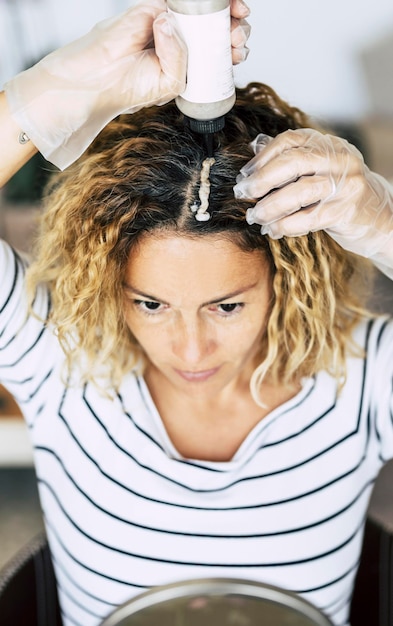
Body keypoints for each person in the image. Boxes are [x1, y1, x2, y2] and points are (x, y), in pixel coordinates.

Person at [0, 1, 393, 625]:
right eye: (150, 304)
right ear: (109, 283)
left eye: (227, 305)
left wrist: (382, 223)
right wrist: (54, 88)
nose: (188, 350)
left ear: (285, 281)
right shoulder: (59, 363)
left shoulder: (363, 379)